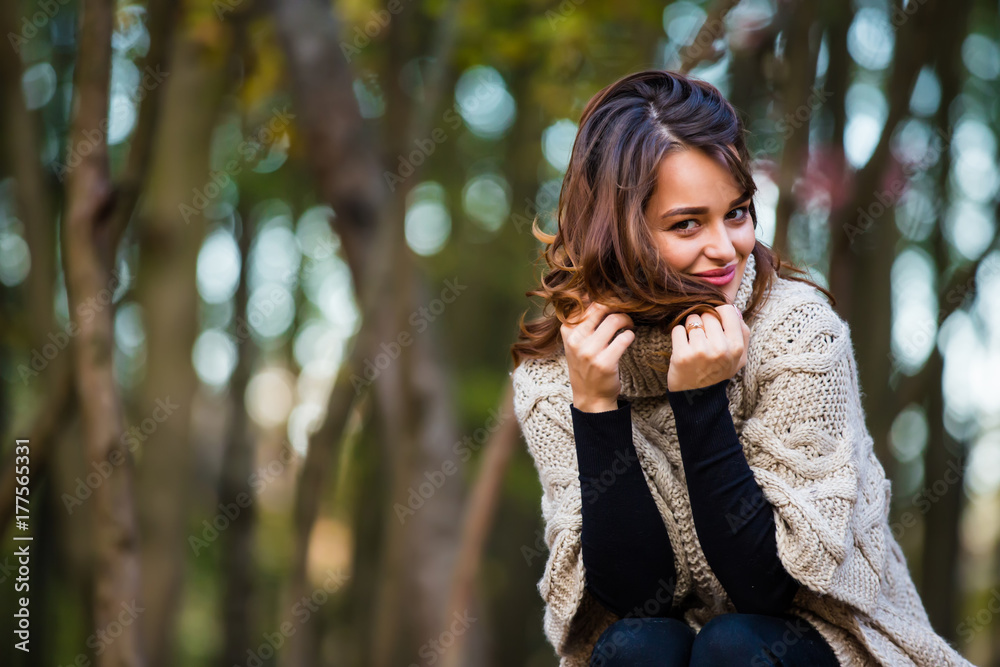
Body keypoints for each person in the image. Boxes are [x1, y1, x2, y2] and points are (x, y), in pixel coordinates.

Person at [508, 70, 974, 667]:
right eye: (686, 224)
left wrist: (700, 400)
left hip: (827, 639)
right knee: (634, 647)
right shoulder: (560, 372)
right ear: (616, 232)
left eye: (737, 212)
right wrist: (596, 410)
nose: (726, 248)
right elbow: (635, 599)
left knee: (734, 646)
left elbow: (768, 589)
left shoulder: (798, 331)